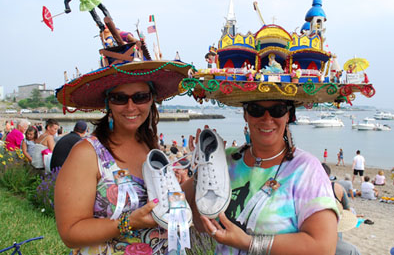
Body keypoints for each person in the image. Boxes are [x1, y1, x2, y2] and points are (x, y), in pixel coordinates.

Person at [54, 58, 193, 254]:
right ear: (108, 103)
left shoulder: (151, 147)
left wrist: (199, 175)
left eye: (140, 97)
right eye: (119, 98)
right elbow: (70, 232)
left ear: (152, 99)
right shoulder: (87, 153)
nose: (130, 107)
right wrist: (129, 222)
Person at [184, 100, 339, 254]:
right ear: (245, 114)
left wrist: (248, 242)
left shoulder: (306, 169)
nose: (266, 118)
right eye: (256, 109)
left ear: (289, 115)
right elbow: (201, 224)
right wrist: (203, 168)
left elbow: (324, 247)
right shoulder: (226, 160)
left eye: (277, 110)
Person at [321, 163, 361, 255]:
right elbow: (347, 208)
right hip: (335, 225)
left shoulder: (306, 188)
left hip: (313, 226)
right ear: (329, 175)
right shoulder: (337, 188)